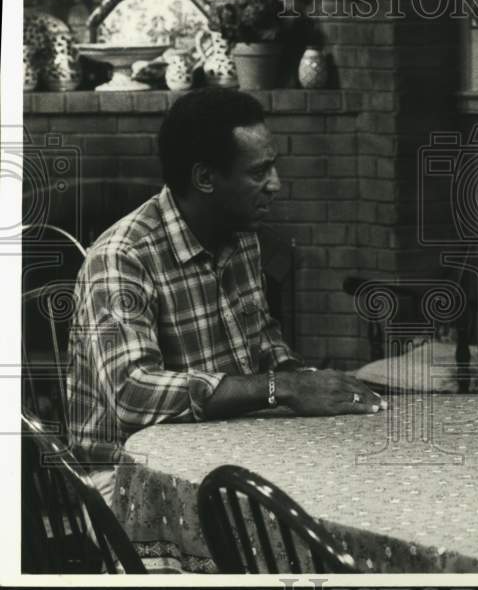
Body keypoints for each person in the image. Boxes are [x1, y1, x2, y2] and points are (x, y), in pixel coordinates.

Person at [66, 88, 384, 503]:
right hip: (125, 477)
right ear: (204, 178)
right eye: (258, 173)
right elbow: (132, 394)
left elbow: (264, 342)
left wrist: (310, 384)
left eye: (274, 168)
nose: (276, 185)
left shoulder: (241, 238)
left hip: (222, 456)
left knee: (353, 492)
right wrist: (280, 388)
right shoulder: (122, 258)